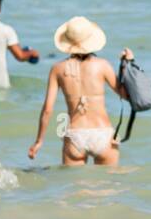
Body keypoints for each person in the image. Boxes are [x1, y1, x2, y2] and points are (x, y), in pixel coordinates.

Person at [28, 17, 130, 166]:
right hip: (103, 134)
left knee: (75, 188)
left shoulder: (57, 69)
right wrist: (127, 64)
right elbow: (125, 95)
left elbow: (48, 109)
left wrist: (38, 141)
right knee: (108, 185)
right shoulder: (102, 65)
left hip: (75, 135)